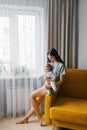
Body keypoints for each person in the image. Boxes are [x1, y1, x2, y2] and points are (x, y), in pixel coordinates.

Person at [16, 48, 66, 126]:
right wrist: (45, 77)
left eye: (51, 57)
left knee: (31, 95)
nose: (50, 59)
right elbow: (47, 74)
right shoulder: (51, 64)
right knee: (37, 101)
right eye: (49, 58)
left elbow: (61, 81)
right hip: (46, 86)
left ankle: (39, 117)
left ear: (55, 55)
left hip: (53, 87)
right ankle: (26, 118)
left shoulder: (61, 65)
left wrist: (51, 86)